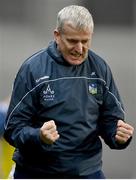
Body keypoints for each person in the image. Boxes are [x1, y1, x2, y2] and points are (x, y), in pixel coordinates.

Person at [4, 5, 134, 179]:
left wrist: (118, 135)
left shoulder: (100, 68)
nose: (79, 49)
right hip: (36, 172)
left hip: (87, 172)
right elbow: (12, 129)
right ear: (57, 36)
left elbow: (110, 120)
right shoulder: (32, 69)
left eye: (85, 41)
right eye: (72, 41)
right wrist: (38, 136)